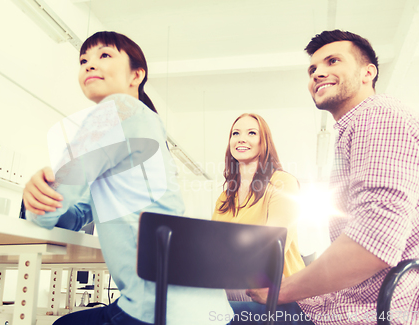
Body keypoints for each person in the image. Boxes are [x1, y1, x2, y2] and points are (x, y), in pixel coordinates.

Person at [23, 31, 233, 325]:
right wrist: (46, 196)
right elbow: (74, 214)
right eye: (83, 59)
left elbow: (47, 213)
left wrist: (35, 201)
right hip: (210, 313)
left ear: (136, 75)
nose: (89, 65)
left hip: (157, 312)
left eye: (104, 55)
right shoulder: (145, 124)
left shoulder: (115, 110)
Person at [245, 30, 419, 325]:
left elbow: (374, 241)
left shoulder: (377, 116)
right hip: (348, 305)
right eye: (312, 69)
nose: (318, 73)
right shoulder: (355, 129)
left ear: (368, 72)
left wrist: (281, 291)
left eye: (333, 61)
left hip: (369, 313)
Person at [211, 113, 305, 321]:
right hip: (234, 290)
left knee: (204, 316)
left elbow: (271, 249)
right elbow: (212, 249)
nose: (241, 138)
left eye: (252, 133)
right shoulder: (225, 197)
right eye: (236, 133)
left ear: (264, 142)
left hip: (278, 296)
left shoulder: (282, 183)